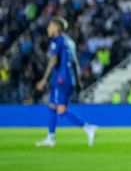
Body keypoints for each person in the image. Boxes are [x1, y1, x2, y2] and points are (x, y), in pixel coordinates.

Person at [34, 17, 97, 148]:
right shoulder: (70, 42)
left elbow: (53, 61)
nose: (48, 29)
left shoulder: (57, 41)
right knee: (52, 106)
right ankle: (50, 138)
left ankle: (88, 127)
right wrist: (78, 82)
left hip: (61, 79)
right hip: (68, 79)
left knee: (61, 110)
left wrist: (44, 79)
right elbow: (74, 63)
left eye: (50, 26)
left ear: (56, 28)